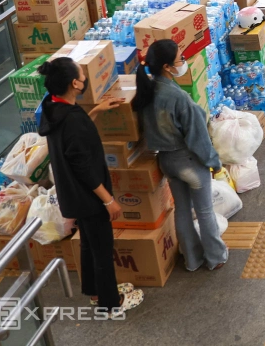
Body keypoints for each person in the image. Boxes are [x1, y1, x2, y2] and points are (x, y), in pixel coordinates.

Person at [36, 56, 143, 313]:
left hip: (72, 194)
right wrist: (108, 200)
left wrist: (94, 112)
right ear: (75, 84)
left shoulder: (54, 107)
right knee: (102, 249)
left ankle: (94, 291)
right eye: (83, 75)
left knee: (89, 244)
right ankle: (110, 302)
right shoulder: (72, 119)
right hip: (88, 197)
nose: (85, 77)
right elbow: (83, 166)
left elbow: (74, 140)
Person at [132, 39, 228, 274]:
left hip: (166, 162)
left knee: (182, 211)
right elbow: (198, 138)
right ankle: (215, 257)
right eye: (180, 59)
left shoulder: (146, 92)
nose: (183, 62)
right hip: (189, 162)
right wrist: (214, 163)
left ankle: (192, 260)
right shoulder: (178, 98)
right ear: (167, 67)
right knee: (204, 211)